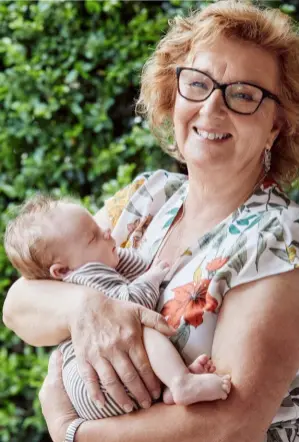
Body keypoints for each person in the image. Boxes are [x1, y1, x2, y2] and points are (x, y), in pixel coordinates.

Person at [4, 1, 299, 441]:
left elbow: (230, 426)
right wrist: (86, 307)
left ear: (276, 125)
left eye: (242, 94)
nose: (211, 109)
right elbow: (19, 305)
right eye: (197, 83)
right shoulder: (147, 196)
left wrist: (72, 432)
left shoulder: (280, 238)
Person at [4, 195, 231, 419]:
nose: (107, 232)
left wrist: (110, 250)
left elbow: (134, 265)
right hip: (96, 385)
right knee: (136, 326)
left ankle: (169, 389)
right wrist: (151, 278)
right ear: (62, 271)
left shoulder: (83, 264)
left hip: (96, 387)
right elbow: (130, 303)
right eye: (93, 237)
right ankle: (180, 381)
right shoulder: (86, 275)